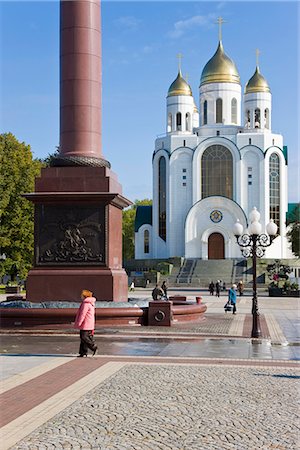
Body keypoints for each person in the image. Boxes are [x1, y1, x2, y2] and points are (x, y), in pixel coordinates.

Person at [74, 289, 98, 357]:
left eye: (81, 295)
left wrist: (79, 323)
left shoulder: (85, 304)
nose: (80, 296)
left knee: (84, 337)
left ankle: (93, 347)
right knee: (83, 338)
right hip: (89, 323)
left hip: (85, 324)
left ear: (84, 296)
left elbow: (82, 314)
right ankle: (83, 352)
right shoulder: (91, 303)